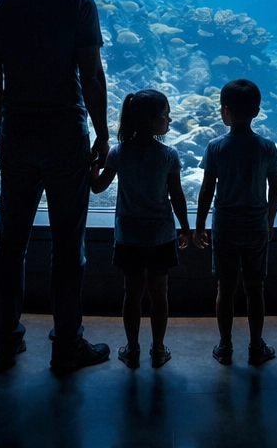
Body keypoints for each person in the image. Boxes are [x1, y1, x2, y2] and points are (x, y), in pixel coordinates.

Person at [0, 0, 111, 371]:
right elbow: (91, 76)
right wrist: (103, 130)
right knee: (67, 245)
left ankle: (5, 339)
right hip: (64, 134)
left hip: (17, 134)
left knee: (10, 242)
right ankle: (67, 344)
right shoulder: (79, 4)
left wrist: (6, 122)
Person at [90, 90, 190, 368]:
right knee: (160, 293)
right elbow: (177, 196)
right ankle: (158, 349)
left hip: (129, 237)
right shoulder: (168, 155)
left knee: (131, 293)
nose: (169, 119)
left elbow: (97, 187)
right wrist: (185, 228)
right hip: (160, 236)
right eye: (165, 115)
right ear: (151, 120)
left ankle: (132, 349)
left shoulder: (118, 153)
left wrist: (94, 165)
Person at [194, 78, 277, 366]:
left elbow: (206, 190)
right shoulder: (267, 147)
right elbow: (275, 188)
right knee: (255, 289)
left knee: (225, 288)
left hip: (225, 226)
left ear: (224, 111)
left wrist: (199, 225)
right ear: (257, 111)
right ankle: (256, 347)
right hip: (256, 226)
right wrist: (269, 222)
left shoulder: (215, 147)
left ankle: (225, 345)